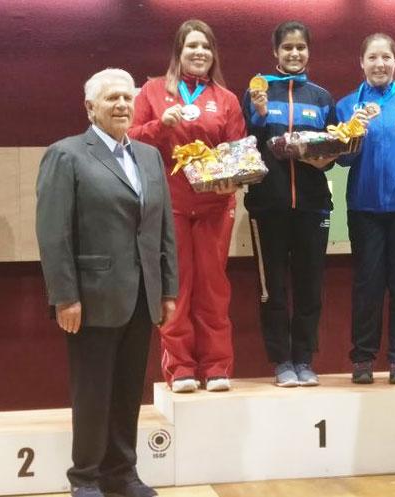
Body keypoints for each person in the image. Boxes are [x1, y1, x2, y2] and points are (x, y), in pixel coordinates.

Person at [36, 68, 178, 497]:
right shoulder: (66, 155)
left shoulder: (150, 157)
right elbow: (53, 233)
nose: (121, 105)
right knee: (93, 392)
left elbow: (162, 228)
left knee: (128, 389)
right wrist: (65, 297)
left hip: (141, 295)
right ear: (90, 107)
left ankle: (122, 472)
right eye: (111, 98)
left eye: (126, 98)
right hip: (91, 299)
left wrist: (168, 288)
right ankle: (86, 479)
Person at [129, 19, 246, 393]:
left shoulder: (225, 99)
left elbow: (238, 149)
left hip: (215, 205)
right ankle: (180, 368)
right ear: (178, 52)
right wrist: (160, 125)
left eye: (206, 47)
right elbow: (130, 140)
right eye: (192, 46)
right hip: (170, 207)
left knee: (213, 289)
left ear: (214, 55)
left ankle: (216, 367)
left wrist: (236, 175)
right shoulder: (151, 92)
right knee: (175, 289)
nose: (200, 53)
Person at [243, 20, 337, 387]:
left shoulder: (321, 97)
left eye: (300, 47)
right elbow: (244, 144)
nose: (294, 53)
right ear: (275, 52)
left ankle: (304, 359)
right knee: (273, 289)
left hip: (314, 206)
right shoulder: (258, 93)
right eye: (287, 48)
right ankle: (281, 360)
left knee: (310, 285)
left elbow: (335, 148)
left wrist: (324, 157)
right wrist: (261, 116)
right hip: (269, 206)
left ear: (308, 51)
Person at [336, 33, 395, 385]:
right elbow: (340, 160)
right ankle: (362, 358)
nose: (379, 64)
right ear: (361, 62)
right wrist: (352, 133)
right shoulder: (347, 106)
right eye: (372, 57)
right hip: (363, 208)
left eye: (386, 57)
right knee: (367, 285)